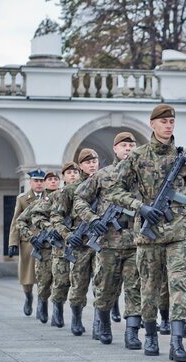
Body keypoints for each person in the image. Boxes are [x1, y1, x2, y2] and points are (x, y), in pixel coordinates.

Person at [109, 104, 186, 362]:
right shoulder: (137, 156)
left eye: (172, 121)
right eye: (163, 121)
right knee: (150, 287)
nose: (169, 125)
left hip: (179, 232)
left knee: (179, 285)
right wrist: (140, 207)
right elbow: (114, 191)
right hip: (148, 235)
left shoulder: (185, 158)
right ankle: (151, 335)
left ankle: (177, 342)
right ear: (152, 124)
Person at [74, 132, 140, 348]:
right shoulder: (102, 175)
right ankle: (103, 325)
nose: (128, 148)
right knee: (105, 287)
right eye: (123, 145)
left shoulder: (143, 172)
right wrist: (93, 219)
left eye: (132, 145)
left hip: (137, 242)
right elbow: (80, 199)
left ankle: (132, 334)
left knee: (135, 288)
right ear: (115, 149)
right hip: (108, 242)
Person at [50, 149, 100, 336]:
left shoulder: (104, 184)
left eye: (94, 161)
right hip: (80, 243)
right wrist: (68, 235)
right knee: (79, 284)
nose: (92, 164)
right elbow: (56, 216)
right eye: (88, 162)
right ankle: (77, 318)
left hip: (102, 242)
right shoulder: (70, 190)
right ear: (80, 167)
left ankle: (99, 323)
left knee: (101, 284)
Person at [31, 162, 80, 328]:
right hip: (61, 246)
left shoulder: (86, 191)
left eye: (75, 172)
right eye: (69, 172)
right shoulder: (54, 196)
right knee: (61, 281)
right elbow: (36, 216)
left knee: (80, 282)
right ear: (64, 176)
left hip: (81, 243)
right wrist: (50, 228)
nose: (73, 175)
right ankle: (56, 309)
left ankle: (77, 317)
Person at [15, 170, 61, 323]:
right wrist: (16, 241)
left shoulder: (66, 197)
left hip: (60, 244)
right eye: (49, 179)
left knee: (60, 280)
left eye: (56, 179)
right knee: (39, 279)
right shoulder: (28, 200)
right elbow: (18, 221)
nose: (51, 182)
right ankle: (33, 299)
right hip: (36, 244)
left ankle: (57, 312)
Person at [9, 169, 45, 316]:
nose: (39, 184)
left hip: (46, 241)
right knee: (27, 275)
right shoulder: (23, 199)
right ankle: (28, 296)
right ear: (30, 182)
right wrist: (13, 243)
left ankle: (42, 303)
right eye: (36, 181)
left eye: (41, 181)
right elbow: (16, 222)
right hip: (28, 242)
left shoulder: (50, 196)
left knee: (46, 274)